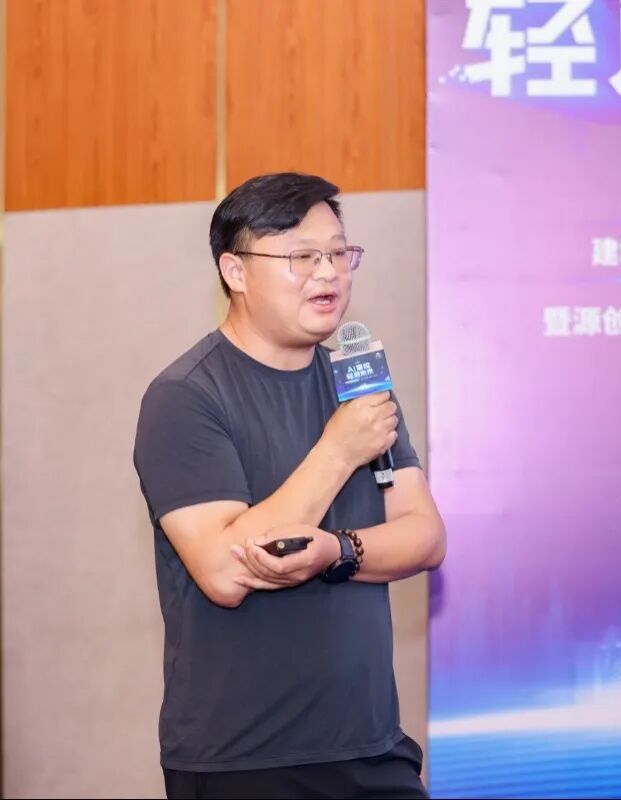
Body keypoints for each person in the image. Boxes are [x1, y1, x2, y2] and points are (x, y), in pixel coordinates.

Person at [133, 172, 446, 800]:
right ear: (235, 271)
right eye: (302, 257)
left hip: (372, 747)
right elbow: (226, 571)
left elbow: (425, 536)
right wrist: (338, 450)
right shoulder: (185, 397)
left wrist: (338, 552)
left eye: (338, 253)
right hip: (244, 760)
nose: (328, 273)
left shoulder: (359, 383)